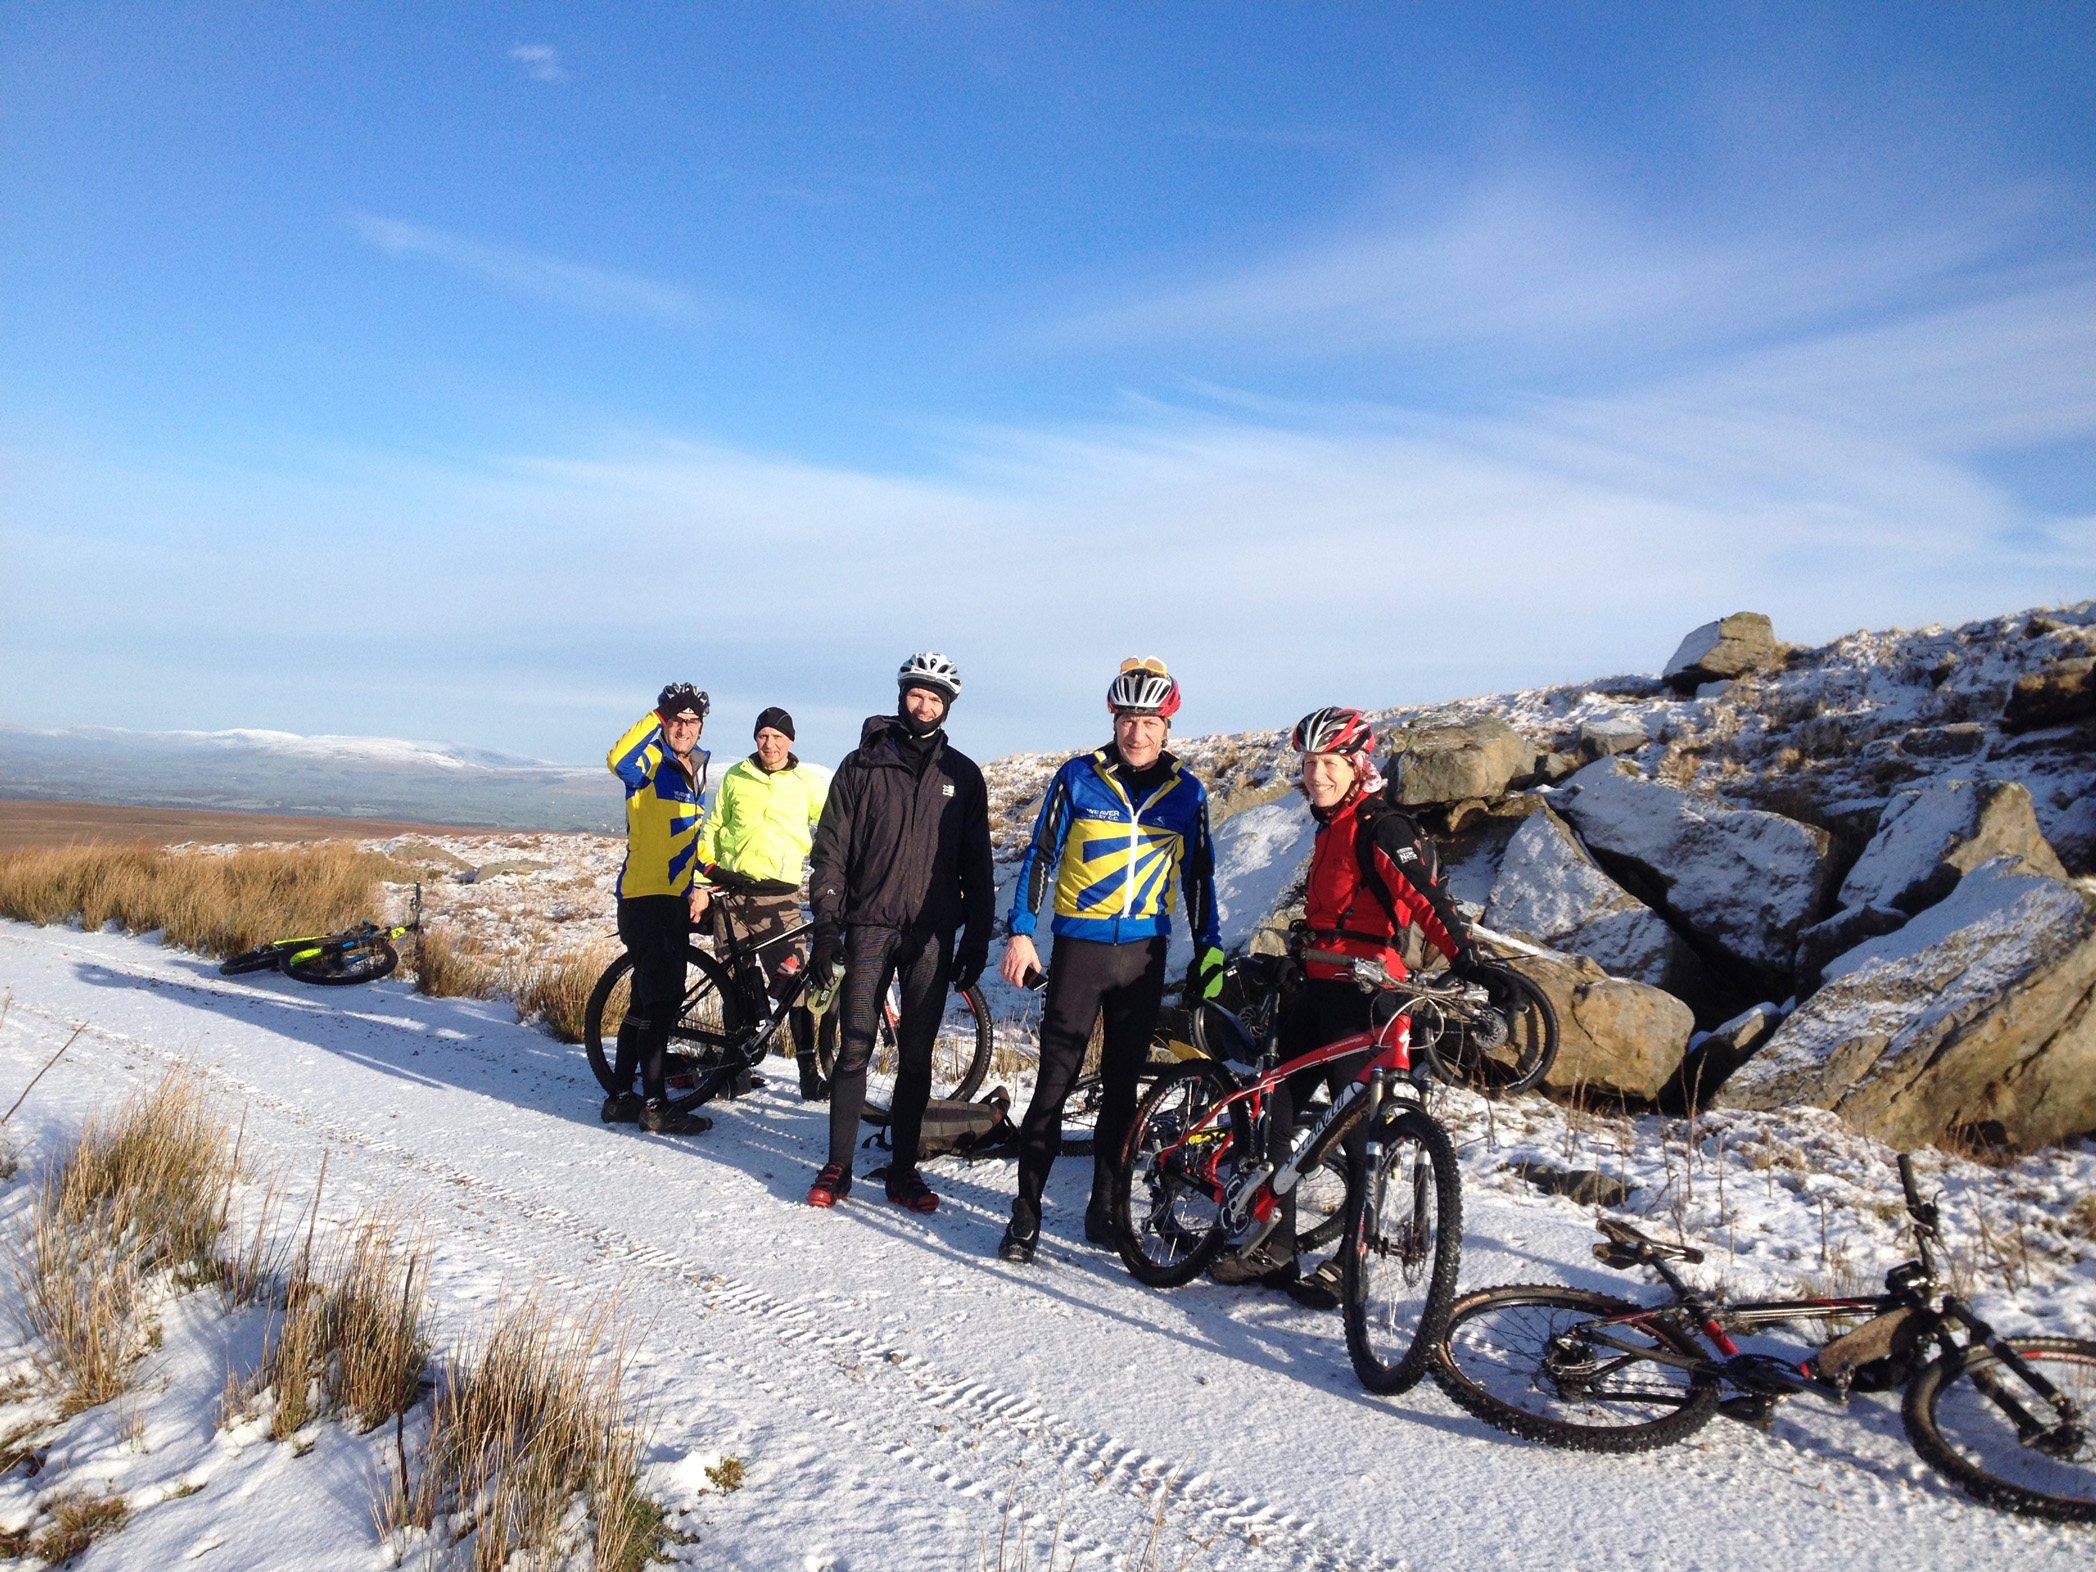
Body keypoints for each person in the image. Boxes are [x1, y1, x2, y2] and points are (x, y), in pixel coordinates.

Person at [1252, 706, 1483, 1307]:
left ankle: (1346, 1264)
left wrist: (1469, 962)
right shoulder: (1329, 824)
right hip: (1314, 985)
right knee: (1277, 1111)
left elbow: (1429, 900)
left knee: (1362, 1134)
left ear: (1357, 766)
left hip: (1369, 997)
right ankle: (1273, 1243)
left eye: (1329, 763)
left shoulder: (1383, 827)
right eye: (1308, 764)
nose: (1317, 775)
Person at [994, 657, 1223, 1265]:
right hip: (1082, 951)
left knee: (1124, 1092)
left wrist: (1211, 952)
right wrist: (1021, 933)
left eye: (1149, 720)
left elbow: (1199, 879)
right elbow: (1040, 856)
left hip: (1145, 955)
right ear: (1113, 720)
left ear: (1168, 726)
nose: (1137, 733)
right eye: (1127, 719)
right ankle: (1025, 1217)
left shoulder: (1187, 792)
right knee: (1053, 1084)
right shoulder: (1078, 777)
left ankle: (1106, 1208)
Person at [803, 654, 995, 1213]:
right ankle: (838, 1165)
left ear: (947, 707)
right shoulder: (860, 766)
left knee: (916, 1055)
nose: (925, 705)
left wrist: (978, 938)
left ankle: (903, 1171)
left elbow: (977, 866)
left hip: (932, 936)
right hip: (868, 926)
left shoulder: (963, 775)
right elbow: (830, 853)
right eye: (917, 694)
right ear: (902, 695)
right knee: (855, 1043)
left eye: (936, 699)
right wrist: (825, 928)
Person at [693, 706, 830, 1100]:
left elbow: (831, 830)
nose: (769, 744)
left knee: (797, 985)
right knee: (733, 985)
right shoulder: (737, 776)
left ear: (791, 741)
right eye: (763, 736)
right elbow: (714, 828)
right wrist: (703, 884)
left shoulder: (808, 783)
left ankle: (808, 1074)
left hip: (781, 897)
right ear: (756, 738)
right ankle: (733, 1071)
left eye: (778, 737)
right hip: (732, 893)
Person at [603, 683, 716, 1136]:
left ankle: (620, 1098)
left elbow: (685, 836)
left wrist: (706, 876)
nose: (683, 728)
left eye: (691, 722)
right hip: (647, 897)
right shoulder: (650, 762)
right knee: (664, 1001)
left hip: (673, 896)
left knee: (645, 999)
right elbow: (617, 760)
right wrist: (656, 714)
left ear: (701, 726)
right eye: (676, 720)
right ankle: (654, 1106)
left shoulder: (698, 770)